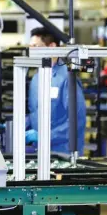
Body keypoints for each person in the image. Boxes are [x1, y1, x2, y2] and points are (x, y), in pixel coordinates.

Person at [26, 27, 86, 155]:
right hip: (40, 151)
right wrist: (14, 127)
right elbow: (34, 113)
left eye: (36, 46)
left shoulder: (67, 78)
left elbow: (76, 121)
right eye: (30, 46)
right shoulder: (36, 78)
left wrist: (44, 136)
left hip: (63, 152)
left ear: (52, 46)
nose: (31, 51)